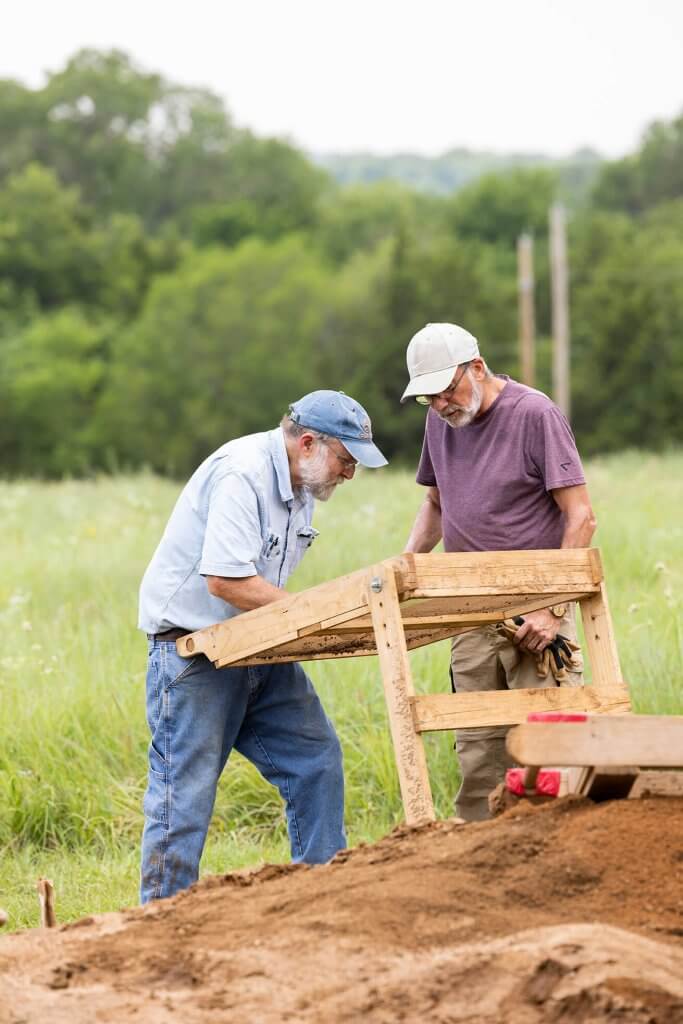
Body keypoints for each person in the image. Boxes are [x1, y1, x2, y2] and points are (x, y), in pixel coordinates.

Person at [138, 390, 387, 902]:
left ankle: (323, 900)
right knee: (183, 796)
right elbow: (225, 580)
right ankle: (159, 923)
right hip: (198, 654)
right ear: (309, 443)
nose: (348, 474)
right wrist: (315, 612)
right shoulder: (242, 471)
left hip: (259, 647)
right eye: (345, 460)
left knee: (316, 761)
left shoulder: (301, 487)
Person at [401, 323, 595, 821]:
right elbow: (435, 504)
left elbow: (580, 517)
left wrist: (554, 609)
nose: (441, 405)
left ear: (478, 368)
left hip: (536, 607)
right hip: (468, 609)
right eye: (429, 399)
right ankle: (480, 867)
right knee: (479, 750)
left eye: (447, 390)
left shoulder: (534, 414)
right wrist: (405, 565)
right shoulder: (440, 423)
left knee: (549, 741)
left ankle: (560, 850)